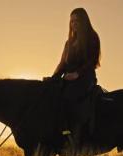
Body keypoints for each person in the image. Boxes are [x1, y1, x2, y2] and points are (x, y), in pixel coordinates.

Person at [52, 8, 101, 145]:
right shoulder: (68, 43)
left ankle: (72, 136)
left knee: (69, 96)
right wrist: (53, 78)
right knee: (51, 96)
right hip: (68, 78)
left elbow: (92, 61)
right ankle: (58, 134)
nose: (73, 24)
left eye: (77, 21)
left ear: (84, 22)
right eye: (71, 21)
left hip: (85, 78)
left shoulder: (92, 37)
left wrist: (76, 74)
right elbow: (62, 63)